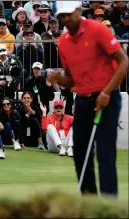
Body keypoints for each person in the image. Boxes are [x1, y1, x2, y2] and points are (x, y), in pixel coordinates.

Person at [48, 1, 128, 197]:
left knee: (105, 153)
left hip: (107, 98)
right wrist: (59, 79)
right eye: (62, 16)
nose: (66, 19)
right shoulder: (64, 42)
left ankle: (108, 204)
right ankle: (89, 201)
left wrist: (107, 92)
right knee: (81, 153)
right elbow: (72, 79)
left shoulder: (98, 30)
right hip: (83, 100)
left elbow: (123, 61)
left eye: (68, 14)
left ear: (77, 10)